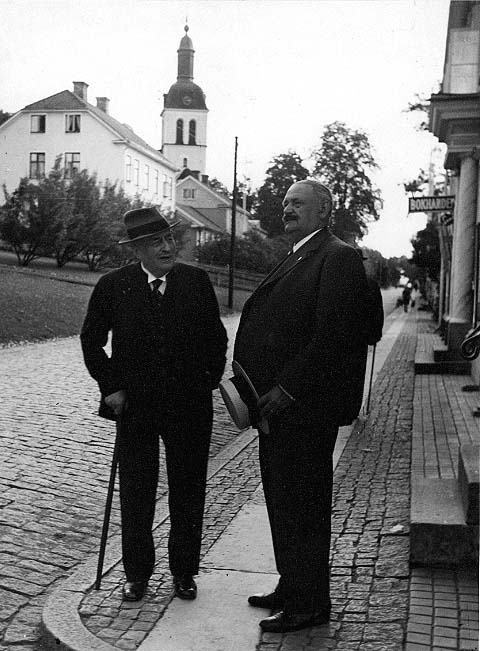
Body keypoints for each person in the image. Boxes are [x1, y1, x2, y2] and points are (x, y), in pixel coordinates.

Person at [233, 180, 369, 633]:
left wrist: (287, 389)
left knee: (303, 505)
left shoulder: (338, 255)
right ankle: (292, 586)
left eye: (298, 203)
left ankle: (308, 605)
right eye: (286, 202)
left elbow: (334, 336)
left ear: (324, 212)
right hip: (278, 411)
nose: (288, 209)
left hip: (304, 409)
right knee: (282, 500)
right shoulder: (299, 252)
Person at [81, 207, 227, 602]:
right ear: (138, 250)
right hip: (136, 408)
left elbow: (216, 342)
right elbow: (91, 341)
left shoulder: (196, 282)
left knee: (188, 489)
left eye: (170, 239)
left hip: (189, 408)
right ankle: (137, 574)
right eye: (156, 242)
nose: (168, 247)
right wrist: (111, 387)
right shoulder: (114, 286)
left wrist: (204, 383)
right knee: (137, 490)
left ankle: (184, 572)